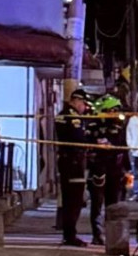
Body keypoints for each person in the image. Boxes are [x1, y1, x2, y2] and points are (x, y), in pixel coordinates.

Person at [85, 95, 128, 245]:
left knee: (113, 205)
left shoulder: (119, 127)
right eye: (112, 110)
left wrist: (127, 169)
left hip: (115, 171)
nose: (115, 113)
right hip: (98, 170)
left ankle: (112, 235)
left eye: (116, 110)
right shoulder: (92, 126)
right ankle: (97, 235)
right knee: (97, 203)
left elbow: (123, 148)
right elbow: (87, 145)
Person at [55, 89, 92, 247]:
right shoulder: (73, 117)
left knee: (68, 199)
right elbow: (79, 138)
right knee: (74, 199)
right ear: (76, 101)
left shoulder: (61, 115)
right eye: (83, 103)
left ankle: (69, 234)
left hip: (66, 160)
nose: (84, 107)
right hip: (74, 161)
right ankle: (70, 235)